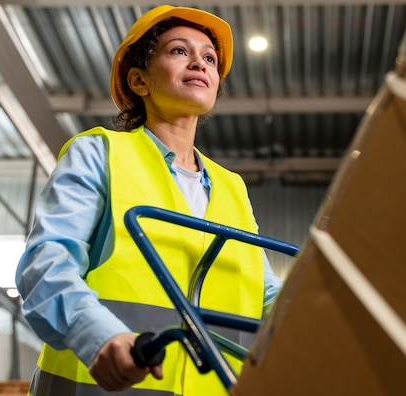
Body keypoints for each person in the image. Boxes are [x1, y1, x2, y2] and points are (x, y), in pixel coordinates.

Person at [15, 5, 283, 395]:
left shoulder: (232, 187)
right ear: (139, 81)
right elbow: (46, 264)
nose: (200, 63)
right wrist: (98, 338)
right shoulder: (99, 154)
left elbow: (265, 291)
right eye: (179, 51)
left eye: (209, 58)